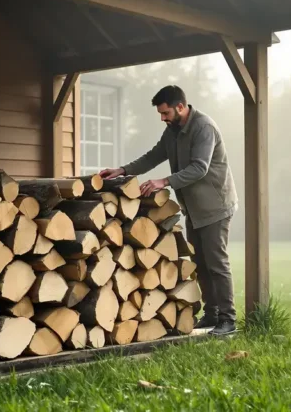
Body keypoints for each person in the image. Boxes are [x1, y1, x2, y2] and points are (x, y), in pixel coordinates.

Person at [99, 85, 238, 335]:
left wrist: (164, 182)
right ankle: (212, 314)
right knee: (200, 263)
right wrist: (122, 170)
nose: (163, 118)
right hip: (194, 209)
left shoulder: (203, 127)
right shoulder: (172, 131)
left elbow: (199, 168)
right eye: (160, 114)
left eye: (165, 113)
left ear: (181, 107)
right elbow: (154, 156)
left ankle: (228, 320)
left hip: (215, 206)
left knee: (217, 264)